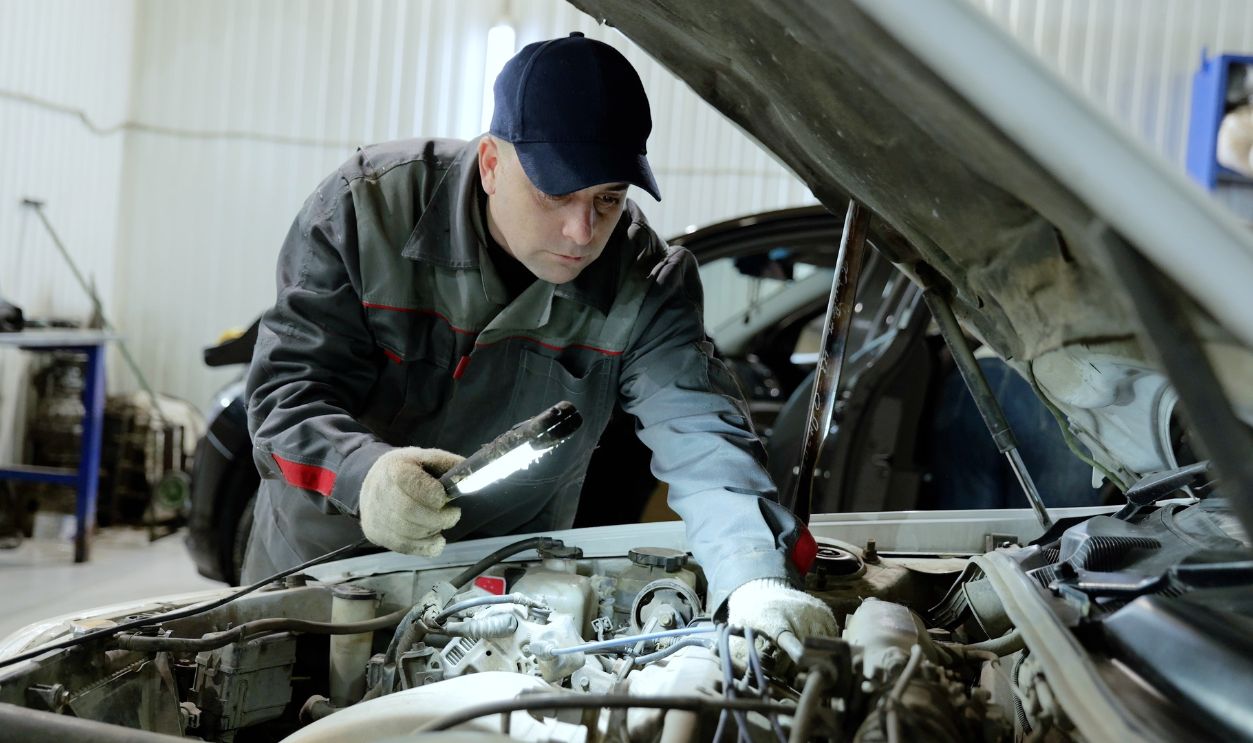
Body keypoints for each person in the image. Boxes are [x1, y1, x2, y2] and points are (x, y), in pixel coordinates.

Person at [243, 32, 835, 650]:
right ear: (492, 164)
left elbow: (701, 433)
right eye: (556, 194)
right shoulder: (366, 211)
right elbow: (285, 396)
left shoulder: (642, 280)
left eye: (608, 198)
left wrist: (751, 577)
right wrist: (362, 474)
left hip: (501, 602)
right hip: (322, 579)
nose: (582, 232)